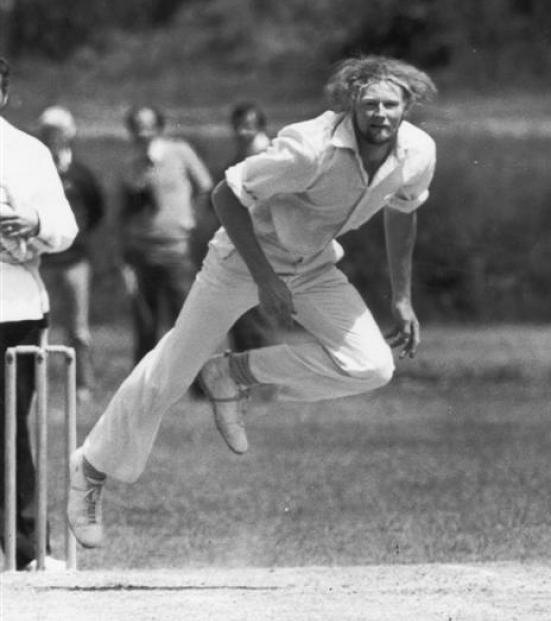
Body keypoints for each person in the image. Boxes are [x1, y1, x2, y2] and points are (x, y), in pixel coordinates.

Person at [67, 56, 438, 549]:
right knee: (172, 372)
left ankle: (233, 373)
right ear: (351, 103)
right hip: (241, 262)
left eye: (391, 105)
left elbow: (403, 210)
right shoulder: (308, 149)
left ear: (407, 105)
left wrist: (402, 296)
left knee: (373, 367)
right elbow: (226, 195)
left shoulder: (418, 151)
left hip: (312, 264)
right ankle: (90, 471)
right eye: (369, 104)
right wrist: (264, 279)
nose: (380, 115)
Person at [0, 58, 79, 570]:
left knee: (6, 430)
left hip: (14, 309)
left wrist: (34, 221)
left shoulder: (27, 152)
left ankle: (27, 550)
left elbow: (65, 228)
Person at [118, 105, 213, 364]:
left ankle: (197, 382)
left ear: (159, 126)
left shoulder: (179, 151)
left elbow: (205, 187)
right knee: (145, 323)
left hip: (176, 248)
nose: (142, 131)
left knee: (185, 318)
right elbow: (125, 211)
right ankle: (144, 383)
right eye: (136, 125)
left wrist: (192, 218)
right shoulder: (130, 164)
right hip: (141, 250)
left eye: (148, 124)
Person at [36, 106, 106, 401]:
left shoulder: (81, 173)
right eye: (47, 131)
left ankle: (83, 386)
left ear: (69, 134)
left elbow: (97, 209)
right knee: (39, 327)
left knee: (78, 328)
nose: (53, 136)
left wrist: (79, 236)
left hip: (75, 261)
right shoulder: (35, 170)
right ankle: (37, 385)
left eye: (58, 130)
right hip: (42, 260)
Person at [221, 102, 277, 354]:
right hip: (237, 246)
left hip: (265, 247)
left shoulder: (270, 157)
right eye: (238, 127)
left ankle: (264, 379)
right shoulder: (237, 159)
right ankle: (243, 375)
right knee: (239, 316)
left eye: (249, 127)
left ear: (261, 128)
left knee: (260, 315)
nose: (243, 132)